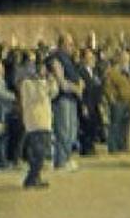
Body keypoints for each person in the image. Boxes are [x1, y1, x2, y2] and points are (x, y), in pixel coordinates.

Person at [17, 56, 59, 189]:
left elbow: (53, 93)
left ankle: (36, 177)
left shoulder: (43, 82)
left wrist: (52, 80)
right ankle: (30, 179)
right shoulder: (27, 84)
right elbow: (39, 96)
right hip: (34, 121)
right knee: (37, 152)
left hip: (45, 121)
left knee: (42, 152)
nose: (43, 71)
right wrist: (43, 83)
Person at [50, 34, 83, 171]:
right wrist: (76, 88)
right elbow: (61, 82)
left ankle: (67, 158)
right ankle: (61, 161)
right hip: (62, 99)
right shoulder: (56, 59)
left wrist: (80, 83)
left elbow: (75, 76)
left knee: (71, 131)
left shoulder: (70, 60)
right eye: (69, 44)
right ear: (62, 45)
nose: (72, 47)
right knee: (63, 131)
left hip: (72, 99)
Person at [103, 50, 130, 153]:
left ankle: (123, 145)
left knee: (126, 124)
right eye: (123, 59)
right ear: (118, 59)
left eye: (127, 59)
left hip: (129, 101)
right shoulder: (112, 71)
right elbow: (107, 86)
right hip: (118, 101)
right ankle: (113, 147)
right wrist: (111, 98)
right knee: (115, 124)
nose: (125, 61)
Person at [78, 48, 104, 155]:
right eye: (89, 58)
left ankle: (91, 146)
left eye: (92, 57)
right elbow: (81, 89)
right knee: (86, 126)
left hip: (95, 102)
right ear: (84, 59)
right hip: (86, 102)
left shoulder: (95, 71)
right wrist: (82, 104)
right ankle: (85, 148)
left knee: (94, 125)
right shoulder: (80, 71)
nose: (91, 60)